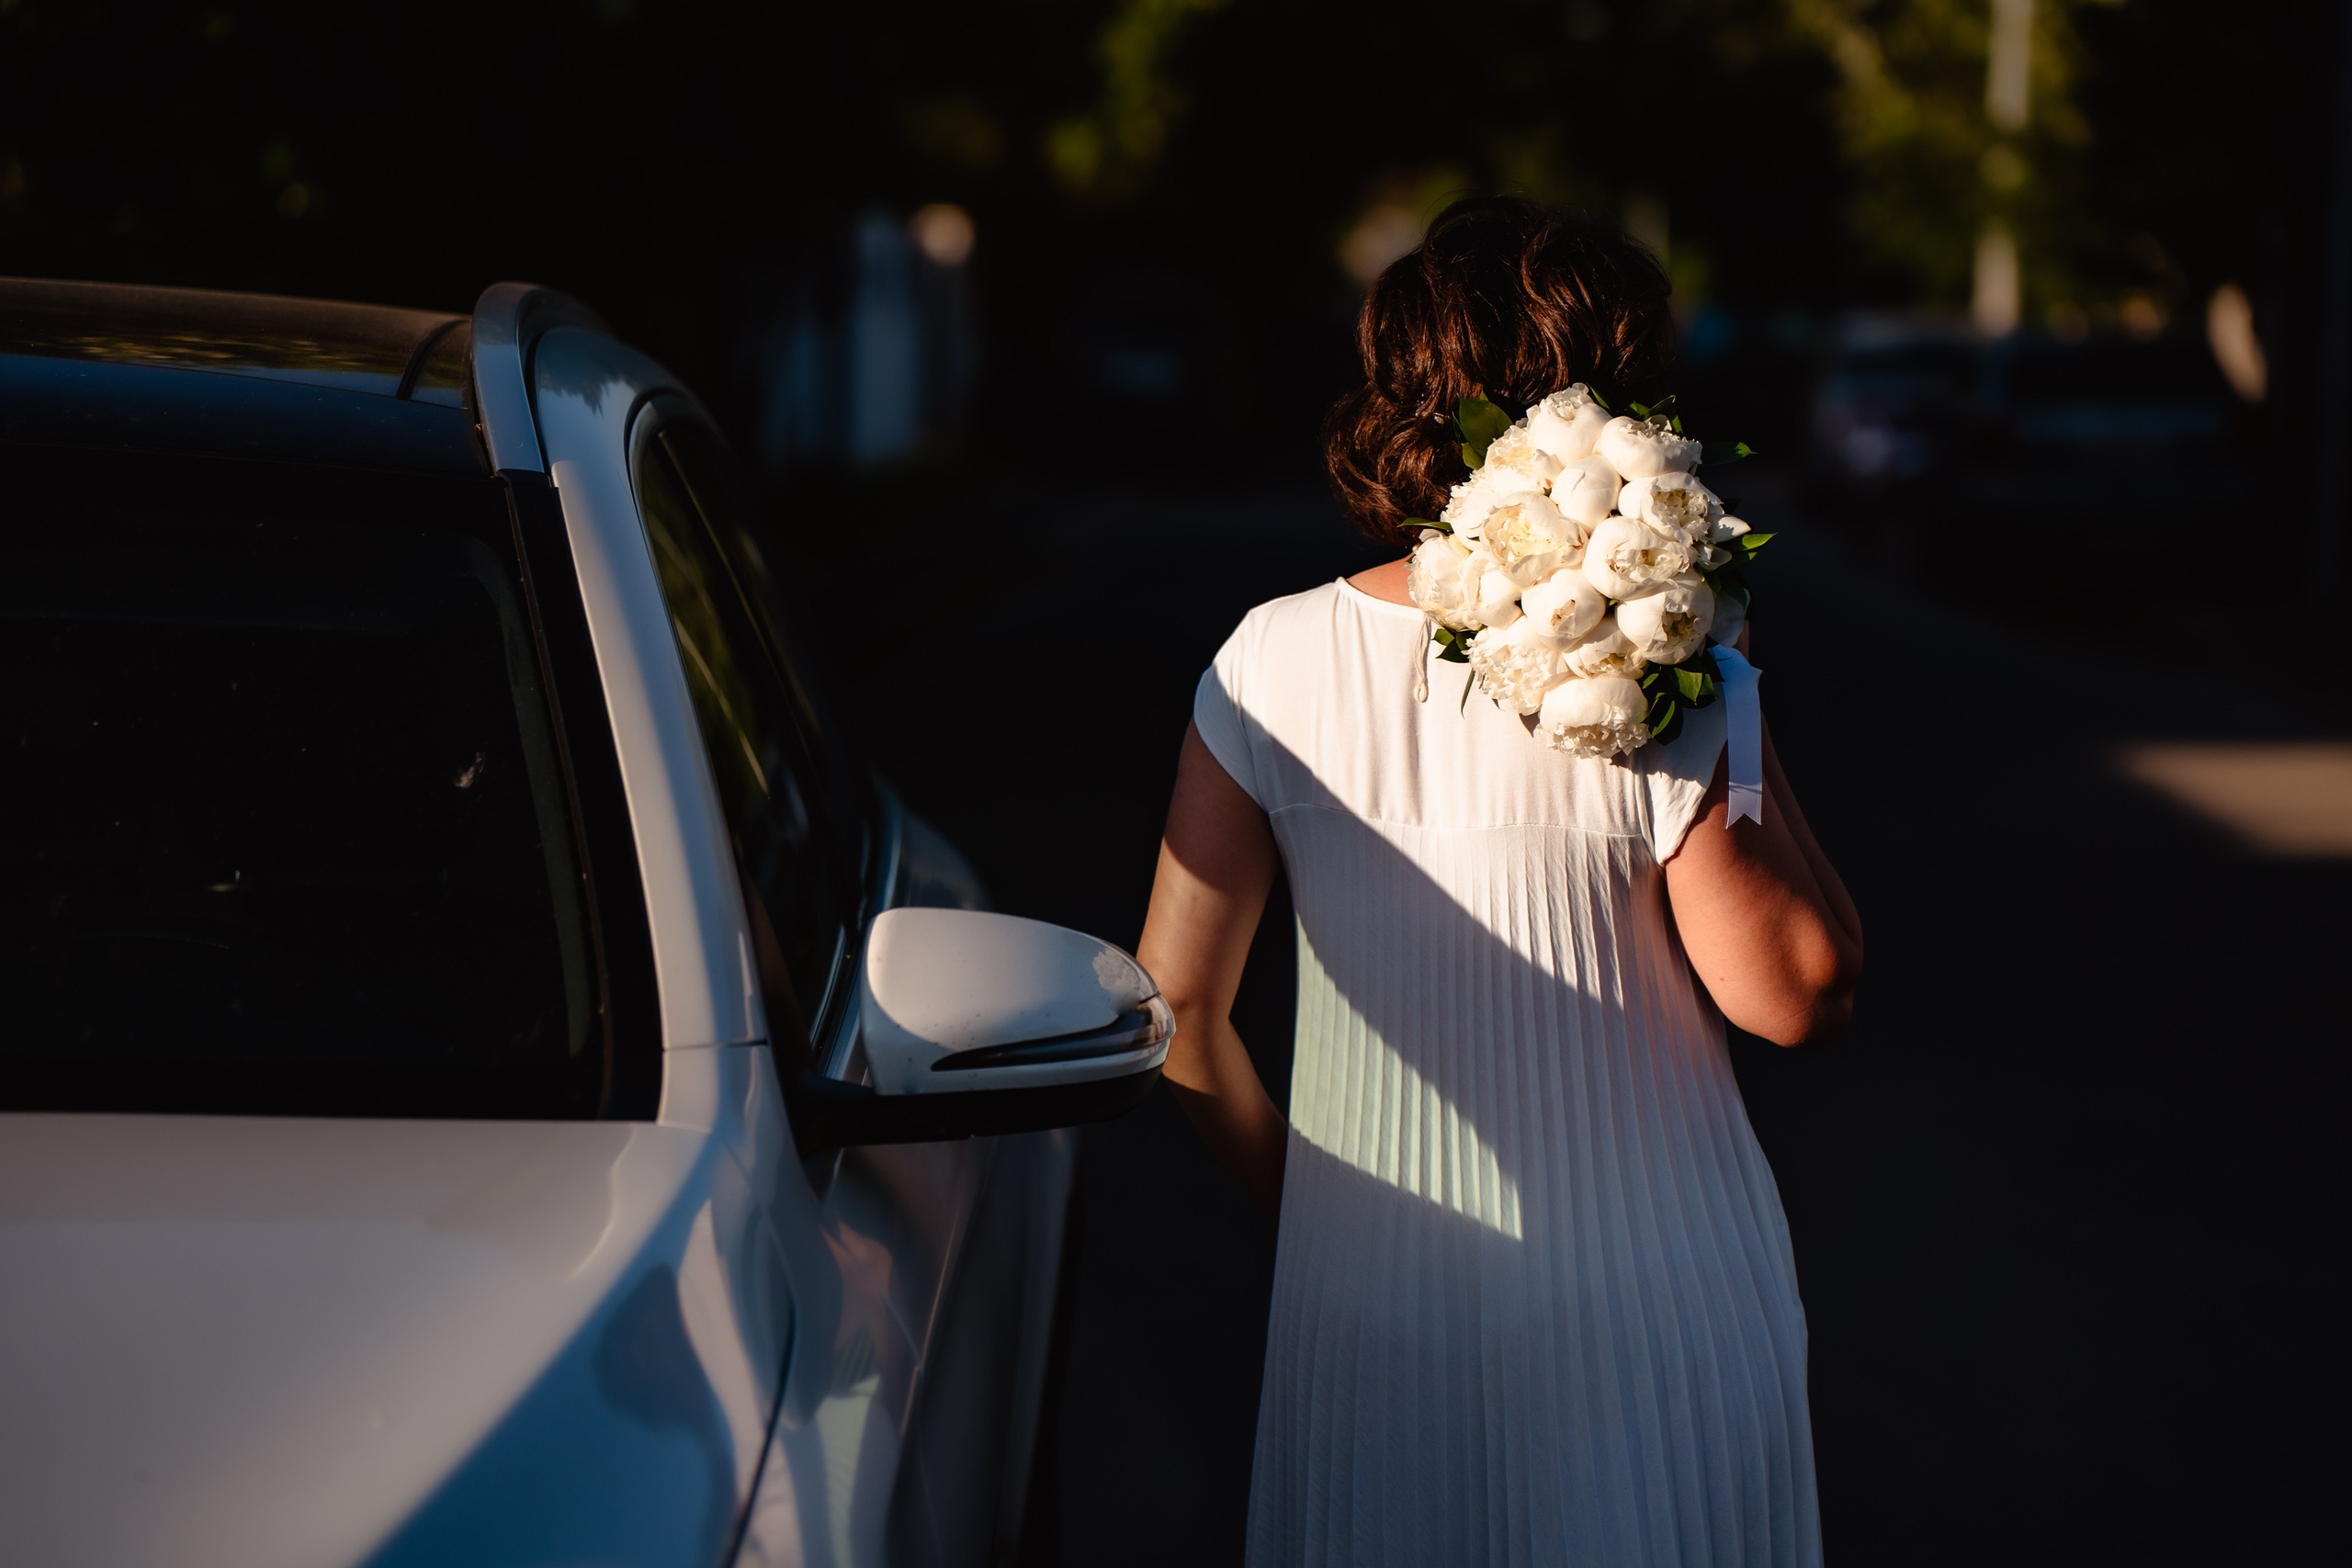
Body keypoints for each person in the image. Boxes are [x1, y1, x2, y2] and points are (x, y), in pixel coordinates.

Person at [1136, 197, 1864, 1568]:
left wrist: (1324, 1215)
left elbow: (1175, 1005)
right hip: (1653, 1317)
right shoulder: (1656, 660)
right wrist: (1739, 697)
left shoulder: (1263, 660)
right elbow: (1798, 987)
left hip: (1364, 1310)